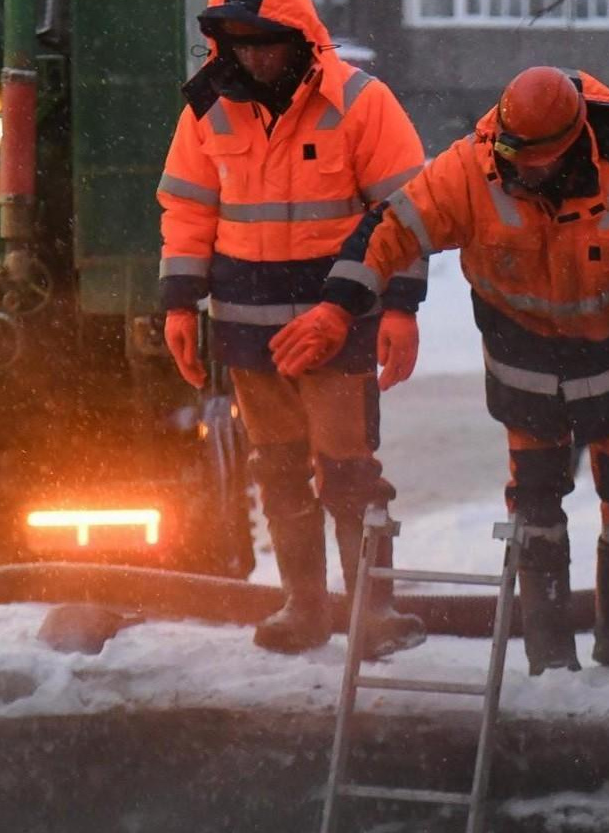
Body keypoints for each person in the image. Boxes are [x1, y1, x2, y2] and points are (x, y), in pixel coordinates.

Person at [267, 67, 609, 677]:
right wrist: (338, 307)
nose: (525, 172)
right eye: (515, 155)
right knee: (535, 505)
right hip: (522, 359)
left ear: (574, 143)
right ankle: (549, 656)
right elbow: (388, 231)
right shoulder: (471, 168)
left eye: (538, 160)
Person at [157, 0, 428, 658]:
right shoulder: (208, 107)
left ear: (301, 40)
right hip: (248, 332)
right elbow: (188, 206)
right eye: (239, 44)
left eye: (265, 43)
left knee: (349, 473)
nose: (252, 57)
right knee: (276, 469)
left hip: (337, 328)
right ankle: (304, 606)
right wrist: (178, 302)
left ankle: (372, 611)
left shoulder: (362, 103)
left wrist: (399, 307)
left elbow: (407, 213)